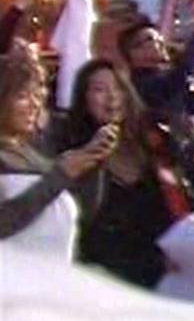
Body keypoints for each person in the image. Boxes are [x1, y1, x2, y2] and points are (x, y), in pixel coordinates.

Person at [61, 59, 194, 290]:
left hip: (164, 278)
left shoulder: (156, 144)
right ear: (83, 99)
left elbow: (184, 203)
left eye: (118, 87)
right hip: (101, 282)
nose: (112, 97)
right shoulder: (72, 151)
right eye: (99, 89)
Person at [0, 55, 116, 244]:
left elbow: (84, 211)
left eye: (38, 96)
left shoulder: (35, 153)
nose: (34, 105)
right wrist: (61, 174)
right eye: (22, 96)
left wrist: (92, 160)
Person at [117, 13, 194, 131]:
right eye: (151, 39)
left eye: (159, 37)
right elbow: (181, 78)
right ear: (134, 52)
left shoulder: (167, 79)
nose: (161, 42)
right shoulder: (139, 85)